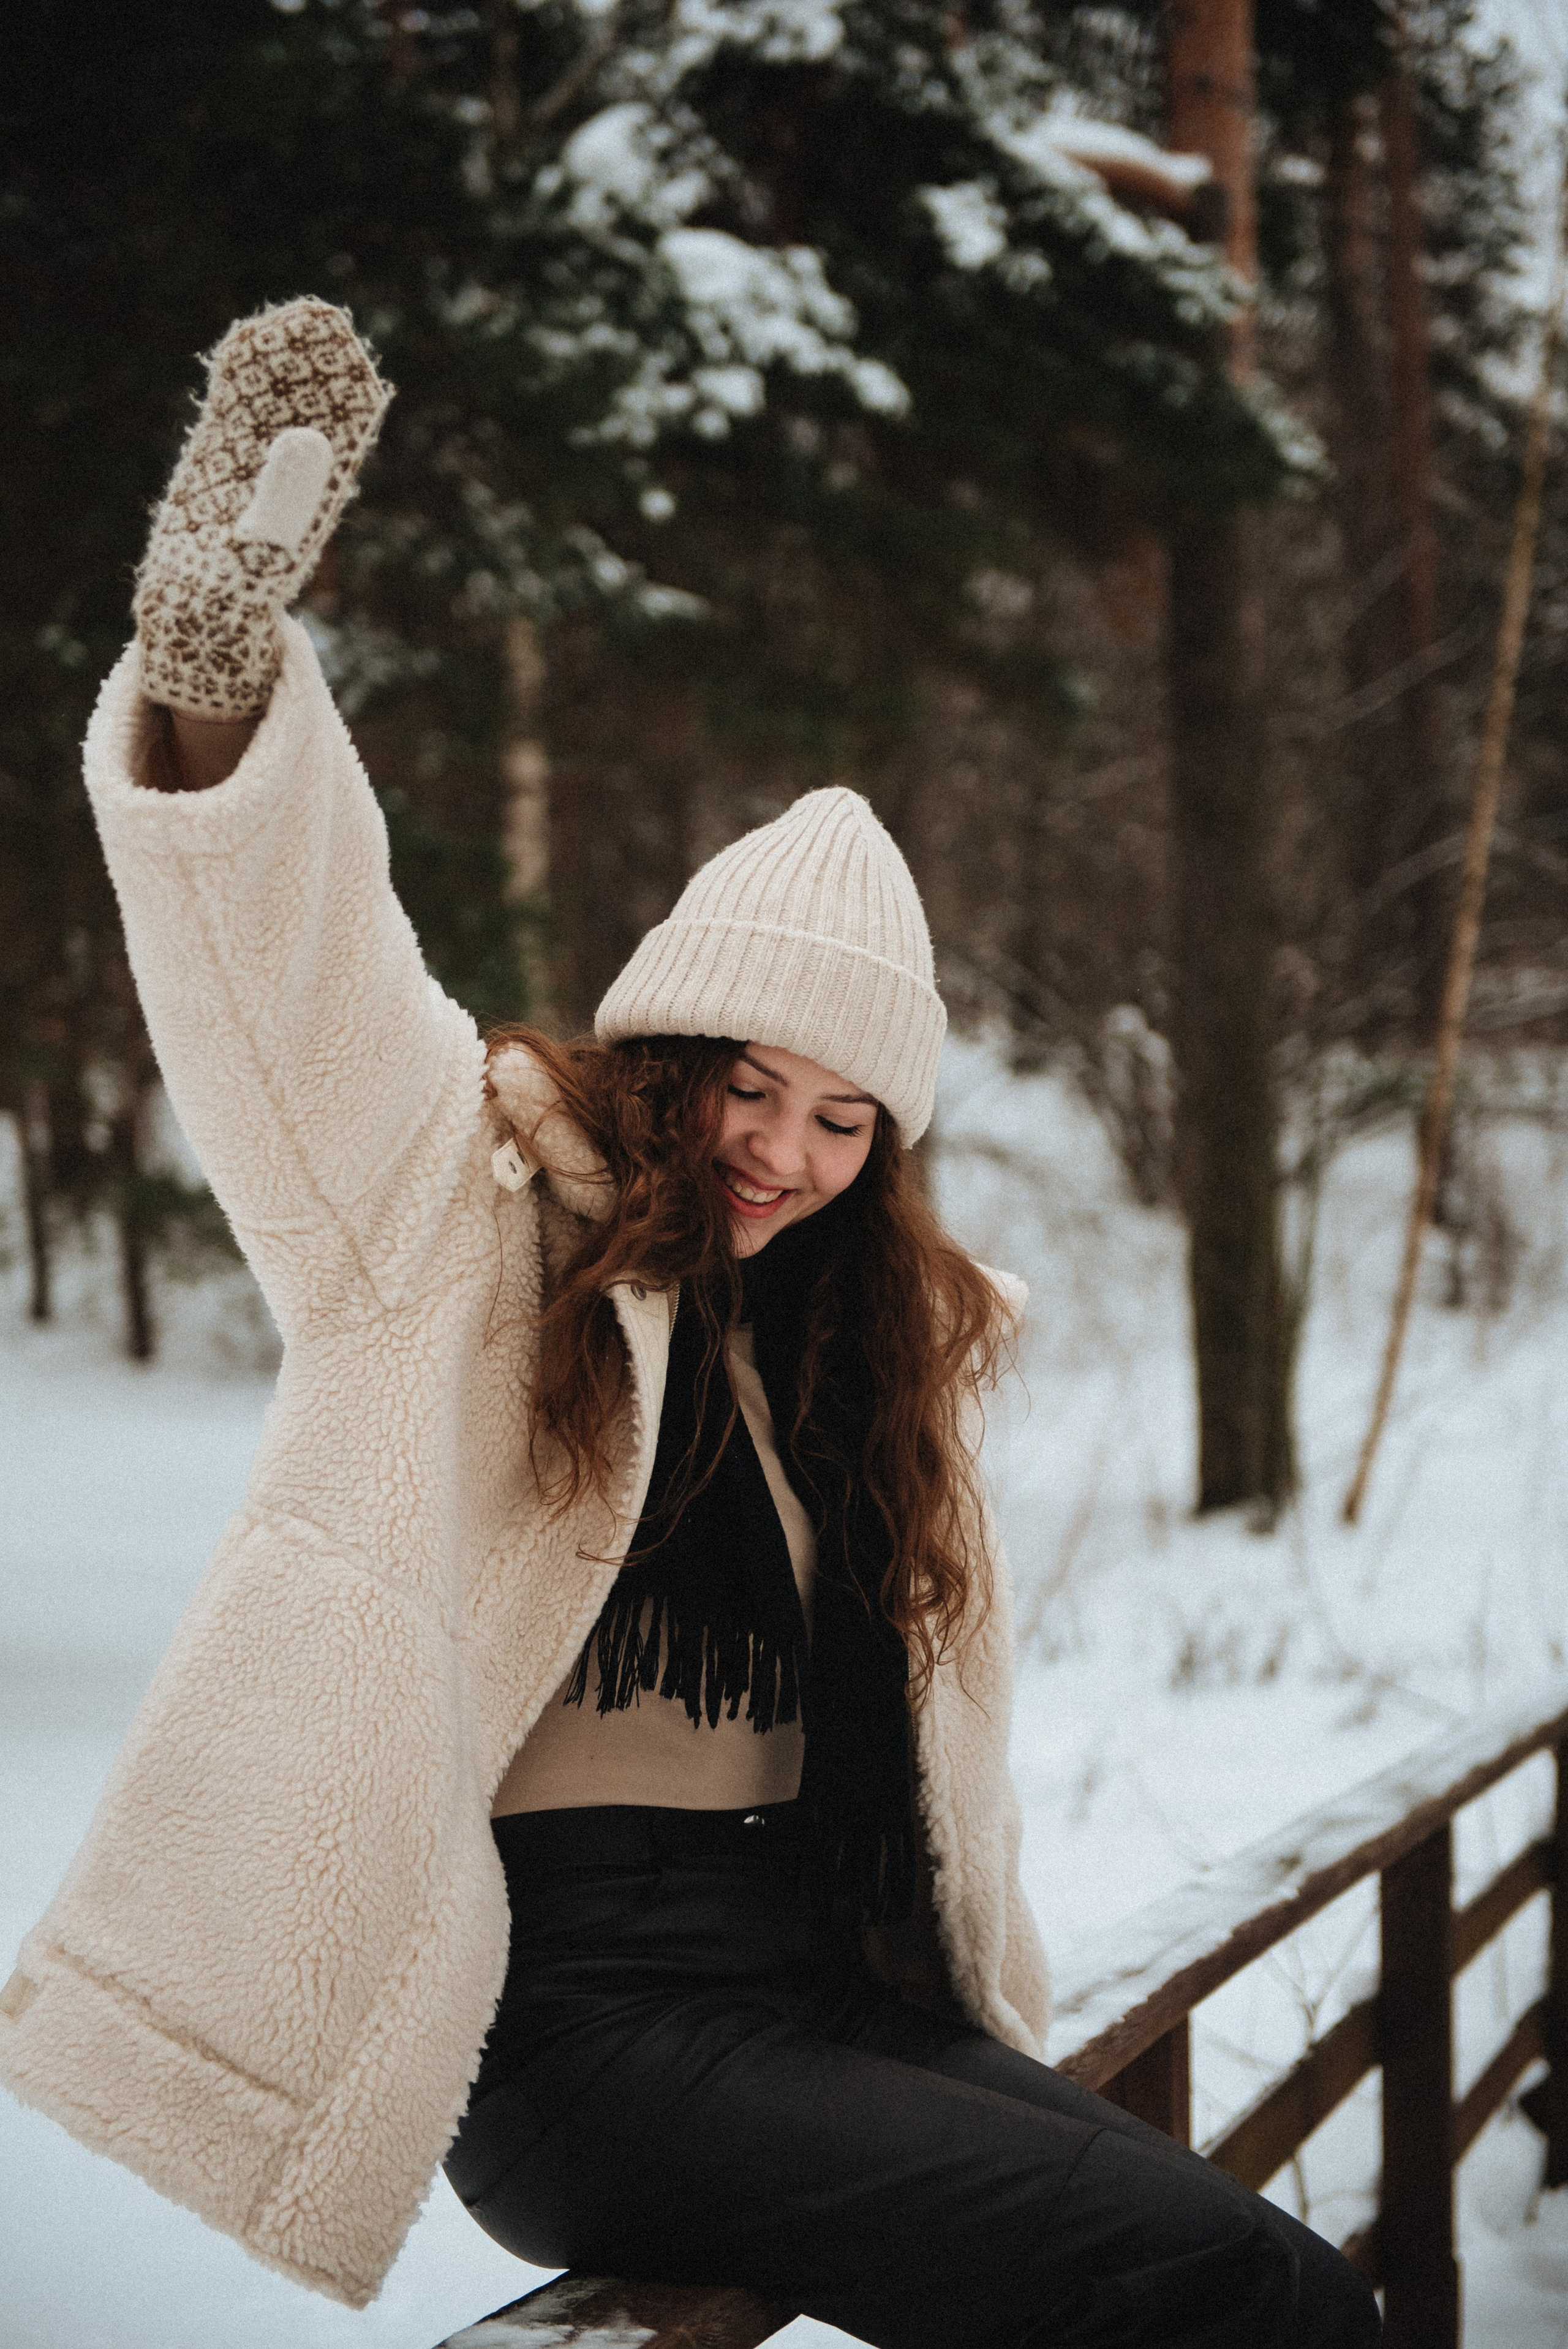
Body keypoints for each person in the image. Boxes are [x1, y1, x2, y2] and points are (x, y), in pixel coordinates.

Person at [0, 301, 1379, 2348]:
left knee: (1237, 2258)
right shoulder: (472, 1230)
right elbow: (301, 984)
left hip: (819, 1987)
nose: (786, 1149)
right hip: (576, 2025)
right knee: (1225, 2275)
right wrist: (216, 678)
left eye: (846, 1119)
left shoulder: (855, 1363)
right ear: (668, 1048)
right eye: (754, 1081)